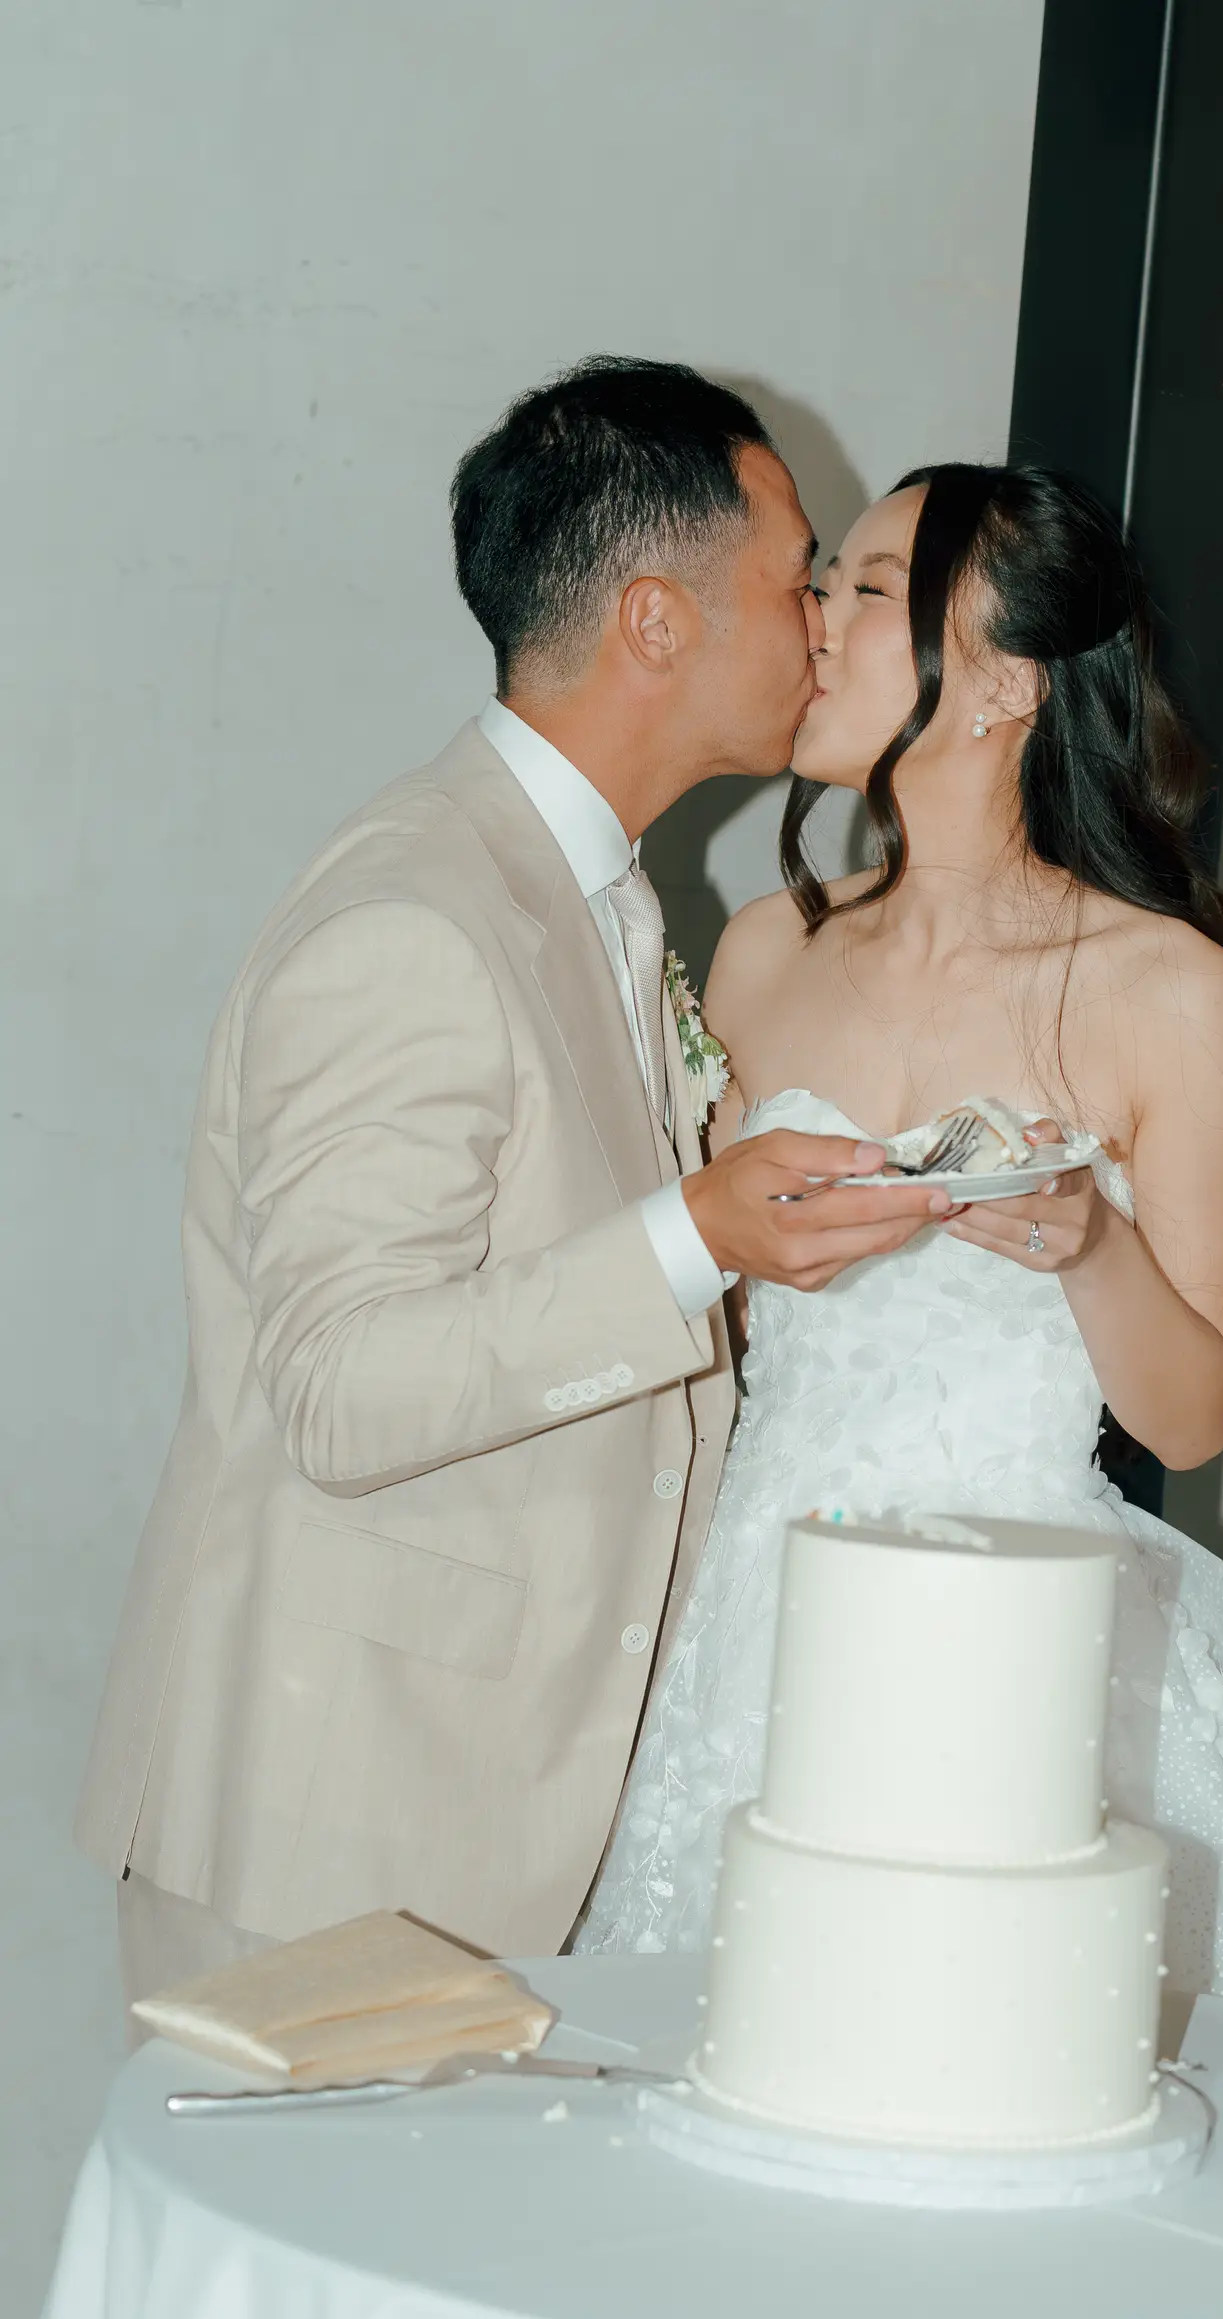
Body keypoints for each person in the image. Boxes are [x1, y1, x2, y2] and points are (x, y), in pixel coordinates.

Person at [75, 357, 951, 2011]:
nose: (822, 626)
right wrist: (693, 1235)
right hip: (334, 1832)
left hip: (490, 1814)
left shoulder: (586, 890)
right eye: (796, 579)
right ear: (654, 620)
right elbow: (339, 1386)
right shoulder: (415, 915)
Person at [578, 462, 1223, 2017]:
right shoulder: (765, 947)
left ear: (1006, 681)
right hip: (749, 1613)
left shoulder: (1162, 986)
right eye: (827, 581)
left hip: (1013, 1640)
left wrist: (1089, 1245)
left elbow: (1191, 1417)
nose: (816, 618)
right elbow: (701, 1322)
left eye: (870, 589)